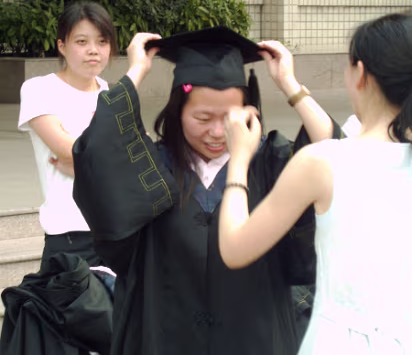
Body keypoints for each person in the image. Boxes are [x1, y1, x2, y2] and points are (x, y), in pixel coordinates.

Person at [72, 26, 341, 355]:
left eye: (228, 117)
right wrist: (136, 71)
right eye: (202, 117)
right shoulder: (152, 168)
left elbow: (333, 156)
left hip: (255, 338)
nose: (216, 132)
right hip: (167, 338)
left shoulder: (271, 164)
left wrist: (290, 85)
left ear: (250, 110)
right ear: (178, 112)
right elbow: (96, 153)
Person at [219, 13, 412, 354]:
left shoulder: (321, 163)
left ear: (361, 73)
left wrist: (238, 160)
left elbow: (235, 249)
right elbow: (346, 141)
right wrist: (289, 84)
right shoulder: (338, 159)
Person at [18, 1, 118, 267]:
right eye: (82, 41)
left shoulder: (108, 94)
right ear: (62, 45)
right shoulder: (39, 90)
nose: (93, 51)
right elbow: (67, 150)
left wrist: (84, 165)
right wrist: (100, 160)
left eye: (102, 41)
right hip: (69, 235)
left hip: (115, 231)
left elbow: (130, 157)